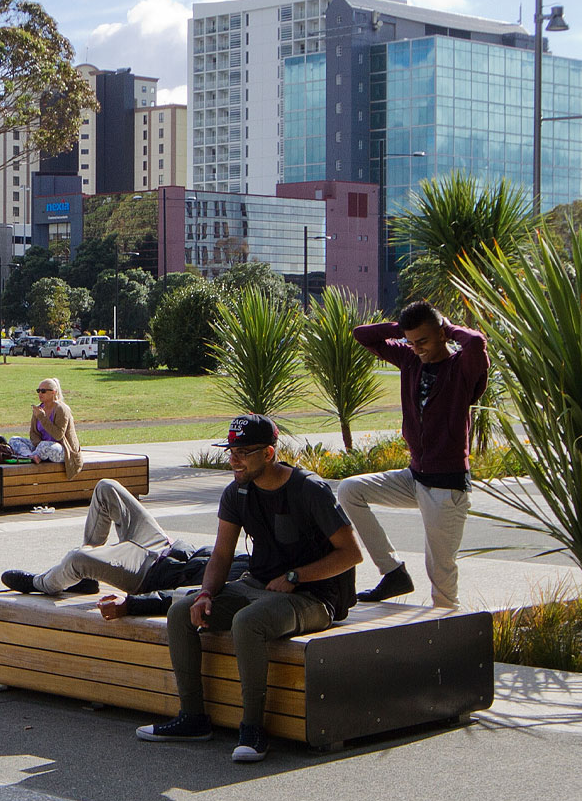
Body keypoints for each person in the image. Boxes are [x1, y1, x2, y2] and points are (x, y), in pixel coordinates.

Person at [136, 414, 361, 764]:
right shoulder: (237, 491)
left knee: (248, 622)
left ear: (269, 453)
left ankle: (253, 729)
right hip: (259, 585)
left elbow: (351, 553)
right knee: (182, 609)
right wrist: (207, 594)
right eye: (231, 451)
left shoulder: (309, 489)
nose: (234, 460)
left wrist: (296, 577)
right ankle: (193, 718)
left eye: (243, 452)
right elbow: (222, 554)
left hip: (315, 597)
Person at [338, 301, 489, 608]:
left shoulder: (462, 367)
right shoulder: (409, 359)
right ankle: (393, 573)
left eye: (424, 341)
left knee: (441, 577)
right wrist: (403, 330)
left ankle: (447, 628)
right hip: (414, 477)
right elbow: (362, 335)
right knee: (350, 490)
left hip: (446, 487)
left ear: (442, 335)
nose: (417, 348)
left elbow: (476, 341)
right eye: (411, 341)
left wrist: (447, 326)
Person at [0, 477, 250, 616]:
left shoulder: (244, 585)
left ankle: (42, 583)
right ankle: (85, 577)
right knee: (107, 488)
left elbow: (179, 597)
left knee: (77, 557)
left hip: (147, 573)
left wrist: (133, 604)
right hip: (165, 545)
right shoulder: (255, 557)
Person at [6, 377, 83, 479]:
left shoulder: (61, 409)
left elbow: (58, 435)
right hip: (40, 447)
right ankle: (31, 456)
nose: (40, 394)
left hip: (62, 449)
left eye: (43, 391)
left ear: (53, 393)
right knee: (14, 440)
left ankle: (30, 456)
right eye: (38, 391)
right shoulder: (38, 408)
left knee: (45, 445)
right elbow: (33, 433)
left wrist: (42, 417)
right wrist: (37, 445)